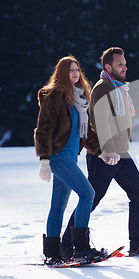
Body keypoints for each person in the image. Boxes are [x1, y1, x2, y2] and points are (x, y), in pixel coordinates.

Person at [60, 47, 139, 258]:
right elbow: (101, 123)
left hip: (122, 154)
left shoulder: (120, 88)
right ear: (108, 67)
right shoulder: (102, 89)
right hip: (104, 155)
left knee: (138, 194)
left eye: (125, 63)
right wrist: (108, 151)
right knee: (91, 198)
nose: (125, 67)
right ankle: (66, 245)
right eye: (120, 64)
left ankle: (137, 244)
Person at [34, 55, 104, 265]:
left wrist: (102, 152)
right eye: (70, 70)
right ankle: (81, 249)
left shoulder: (79, 99)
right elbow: (43, 129)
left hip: (71, 157)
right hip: (58, 156)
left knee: (58, 206)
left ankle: (53, 254)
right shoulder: (54, 95)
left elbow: (87, 133)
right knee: (87, 193)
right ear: (62, 73)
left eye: (77, 69)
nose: (75, 73)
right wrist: (44, 160)